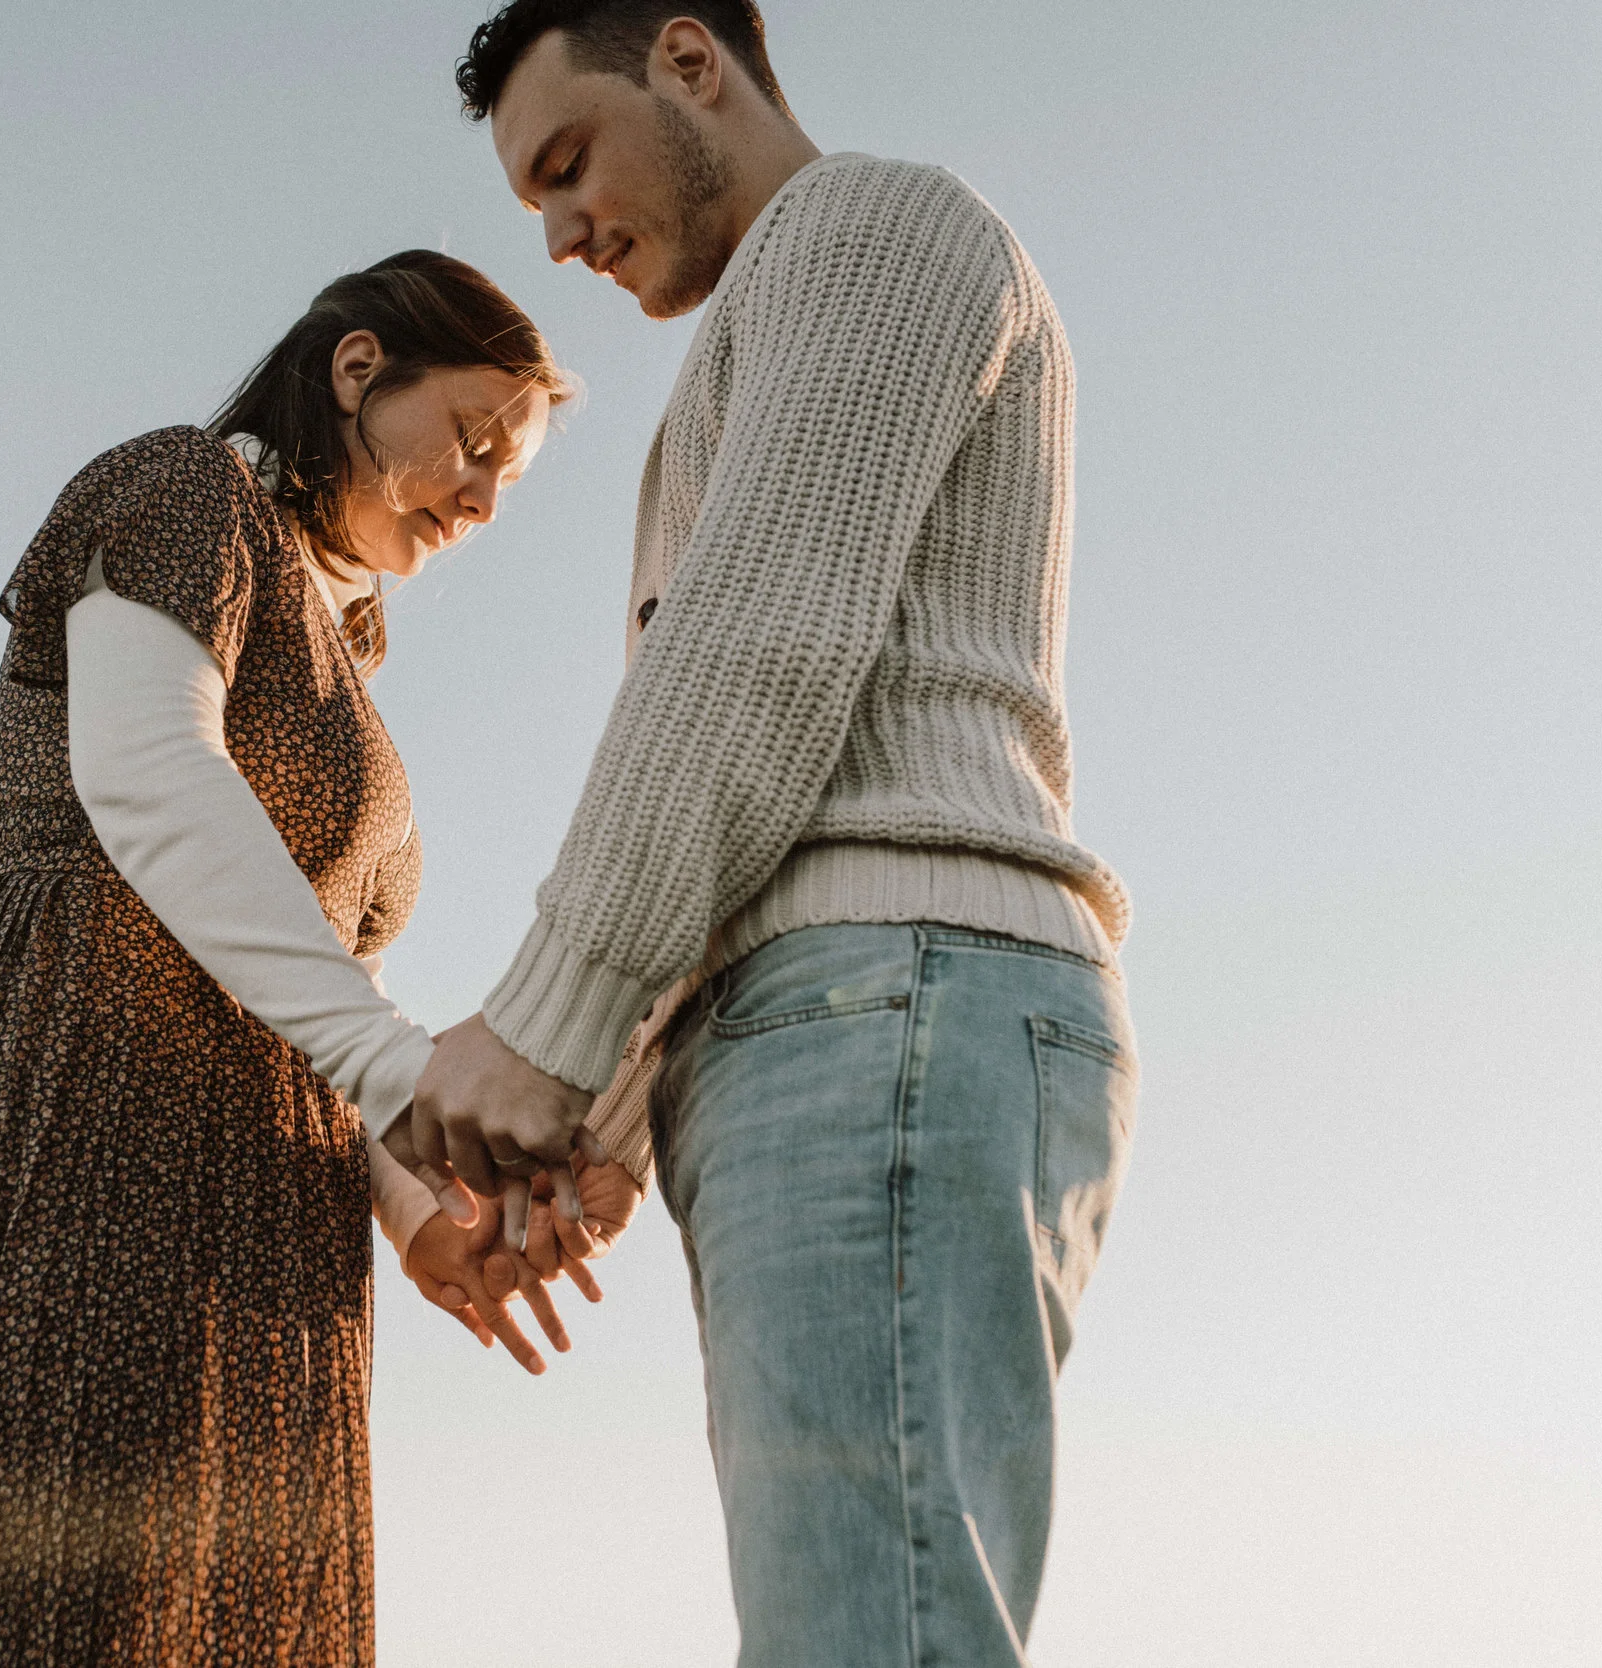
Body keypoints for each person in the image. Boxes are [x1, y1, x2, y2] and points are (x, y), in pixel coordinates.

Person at [387, 5, 1141, 1664]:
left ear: (687, 58)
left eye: (568, 163)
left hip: (889, 1006)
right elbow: (783, 760)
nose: (564, 232)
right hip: (852, 1018)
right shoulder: (785, 315)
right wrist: (608, 1112)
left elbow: (764, 646)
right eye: (535, 208)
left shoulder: (873, 228)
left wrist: (543, 1025)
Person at [0, 250, 580, 1668]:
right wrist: (397, 1070)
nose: (482, 500)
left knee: (196, 1612)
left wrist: (419, 1208)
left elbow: (321, 985)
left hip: (257, 1173)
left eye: (510, 481)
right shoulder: (186, 491)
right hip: (83, 1089)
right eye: (474, 442)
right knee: (62, 1602)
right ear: (359, 371)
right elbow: (149, 781)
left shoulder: (344, 656)